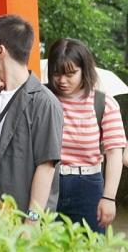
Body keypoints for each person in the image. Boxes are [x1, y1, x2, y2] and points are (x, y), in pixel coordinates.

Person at [0, 15, 63, 219]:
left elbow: (46, 168)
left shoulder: (44, 102)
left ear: (0, 51)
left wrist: (32, 220)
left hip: (15, 219)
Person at [47, 38, 126, 233]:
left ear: (85, 70)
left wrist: (109, 198)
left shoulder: (103, 103)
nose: (62, 81)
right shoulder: (44, 98)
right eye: (56, 73)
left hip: (88, 186)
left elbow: (114, 153)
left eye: (70, 74)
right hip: (48, 181)